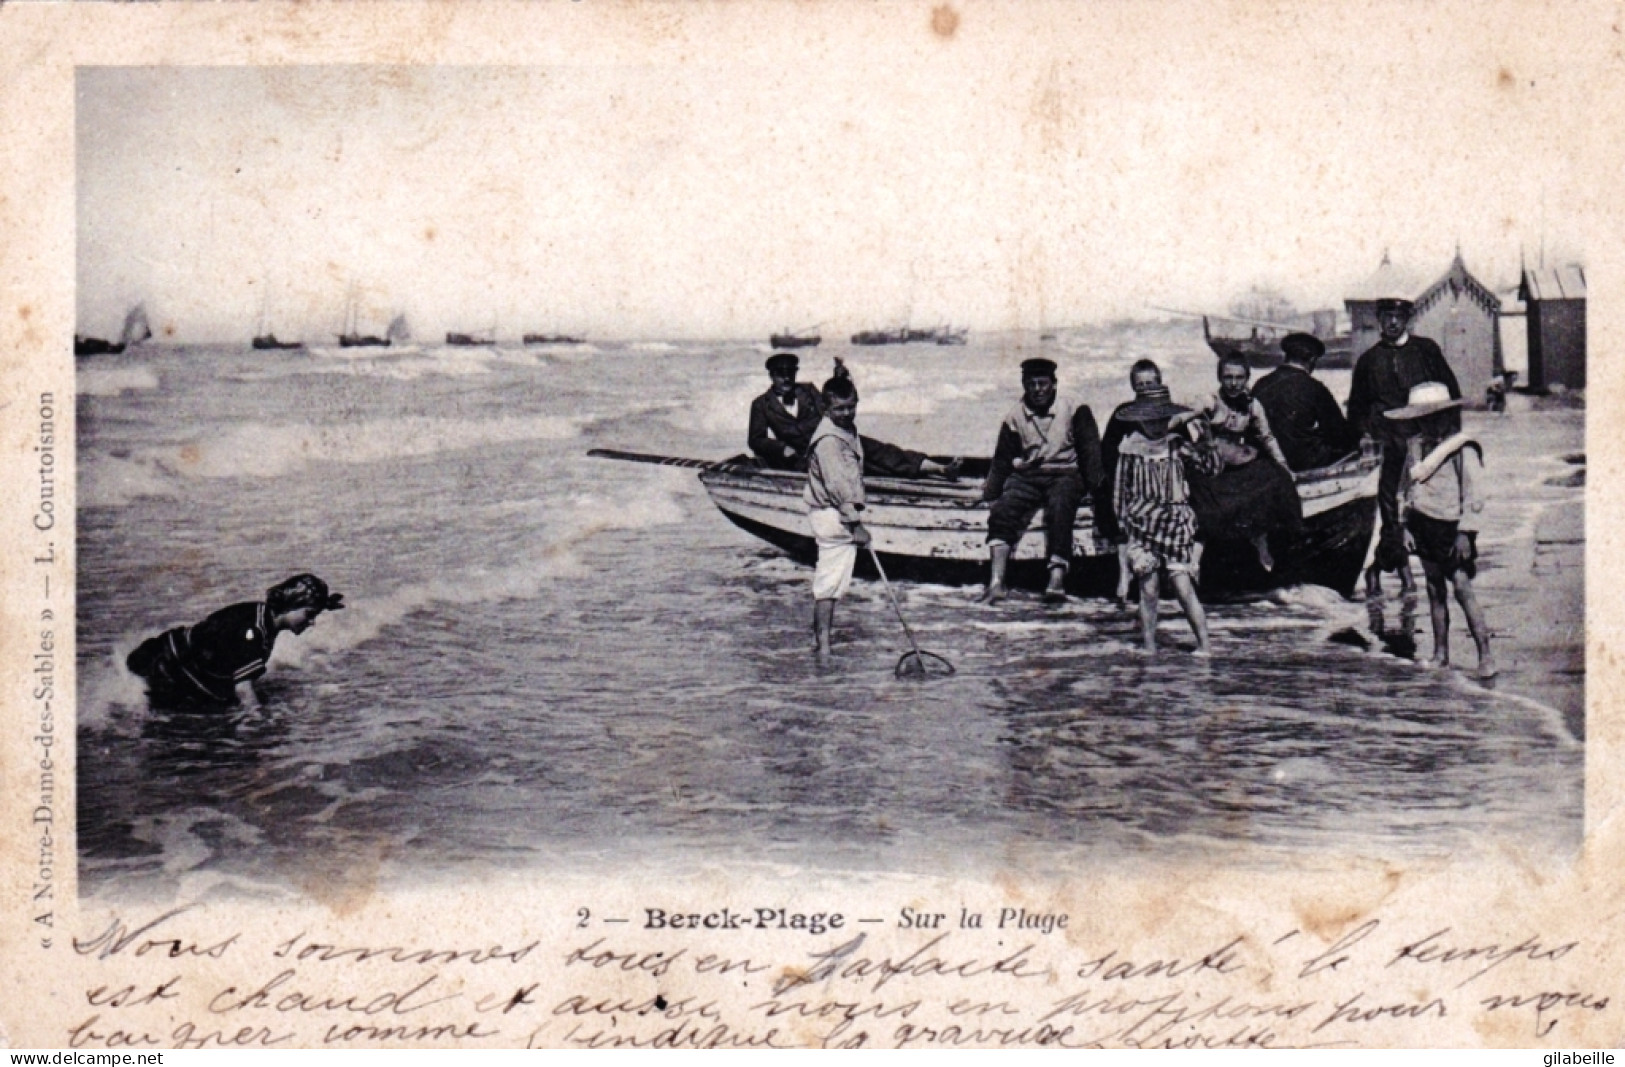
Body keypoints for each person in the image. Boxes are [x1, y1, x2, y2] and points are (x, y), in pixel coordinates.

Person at [804, 375, 955, 655]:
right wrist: (855, 525)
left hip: (835, 514)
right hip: (833, 515)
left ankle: (821, 644)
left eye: (851, 406)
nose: (846, 413)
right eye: (839, 409)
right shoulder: (829, 441)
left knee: (832, 584)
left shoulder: (844, 431)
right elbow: (838, 487)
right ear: (826, 409)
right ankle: (823, 648)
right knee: (828, 584)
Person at [1345, 296, 1461, 594]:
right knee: (1392, 512)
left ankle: (1408, 571)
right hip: (1390, 447)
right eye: (1386, 317)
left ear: (1408, 319)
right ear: (1379, 320)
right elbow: (1356, 409)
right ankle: (1397, 572)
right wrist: (1368, 435)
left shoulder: (1426, 350)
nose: (1393, 322)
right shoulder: (1369, 360)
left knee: (1425, 509)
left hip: (1427, 445)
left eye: (1398, 317)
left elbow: (1450, 393)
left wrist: (1451, 439)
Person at [1383, 382, 1495, 679]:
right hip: (1422, 524)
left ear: (1447, 416)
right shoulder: (1415, 448)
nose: (1429, 424)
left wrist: (1466, 533)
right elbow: (1404, 490)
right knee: (1434, 589)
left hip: (1451, 529)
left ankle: (1485, 655)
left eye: (1434, 417)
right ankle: (1440, 654)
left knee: (1462, 589)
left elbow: (1475, 495)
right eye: (1422, 418)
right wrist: (1403, 526)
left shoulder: (1461, 449)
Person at [980, 358, 1104, 604]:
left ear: (1054, 384)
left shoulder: (1074, 408)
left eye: (1043, 383)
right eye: (1031, 384)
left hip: (1066, 473)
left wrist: (1098, 490)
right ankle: (996, 582)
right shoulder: (1014, 416)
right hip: (1028, 475)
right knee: (1003, 510)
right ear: (1024, 385)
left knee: (1060, 507)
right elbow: (1002, 460)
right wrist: (990, 494)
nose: (1037, 389)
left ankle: (1056, 580)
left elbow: (1091, 452)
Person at [126, 574, 345, 708]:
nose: (312, 622)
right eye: (309, 614)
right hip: (164, 668)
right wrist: (258, 725)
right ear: (290, 605)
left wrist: (323, 603)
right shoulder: (255, 632)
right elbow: (243, 690)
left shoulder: (263, 614)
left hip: (166, 653)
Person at [1112, 384, 1221, 656]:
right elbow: (1119, 490)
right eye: (1151, 421)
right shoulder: (1130, 449)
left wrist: (1206, 442)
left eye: (1163, 420)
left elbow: (1210, 469)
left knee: (1183, 586)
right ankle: (1149, 645)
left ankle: (1205, 645)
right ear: (1139, 419)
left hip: (1175, 524)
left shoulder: (1177, 445)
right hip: (1142, 524)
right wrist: (1122, 524)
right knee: (1148, 589)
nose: (1157, 426)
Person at [1186, 354, 1303, 572]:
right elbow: (1187, 413)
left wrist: (1284, 467)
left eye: (1239, 377)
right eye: (1228, 377)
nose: (1233, 383)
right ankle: (1196, 557)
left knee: (1274, 477)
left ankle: (1261, 541)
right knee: (1205, 503)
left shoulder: (1252, 405)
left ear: (1247, 378)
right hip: (1212, 466)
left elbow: (1266, 438)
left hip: (1239, 463)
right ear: (1220, 378)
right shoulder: (1210, 400)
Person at [1096, 359, 1163, 601]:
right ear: (1133, 387)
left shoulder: (1167, 412)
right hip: (1131, 477)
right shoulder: (1123, 413)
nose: (1145, 388)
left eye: (1150, 383)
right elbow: (1108, 452)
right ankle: (1124, 573)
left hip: (1161, 480)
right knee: (1116, 504)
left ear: (1160, 383)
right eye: (1140, 384)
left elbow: (1181, 447)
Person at [1252, 332, 1359, 472]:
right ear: (1312, 360)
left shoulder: (1261, 384)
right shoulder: (1314, 387)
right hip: (1304, 462)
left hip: (1267, 460)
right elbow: (1338, 432)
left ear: (1287, 356)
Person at [748, 352, 826, 469]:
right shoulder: (761, 404)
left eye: (791, 373)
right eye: (781, 374)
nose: (787, 378)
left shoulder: (809, 390)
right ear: (771, 376)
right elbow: (756, 440)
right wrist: (781, 448)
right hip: (795, 462)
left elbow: (830, 414)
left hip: (825, 451)